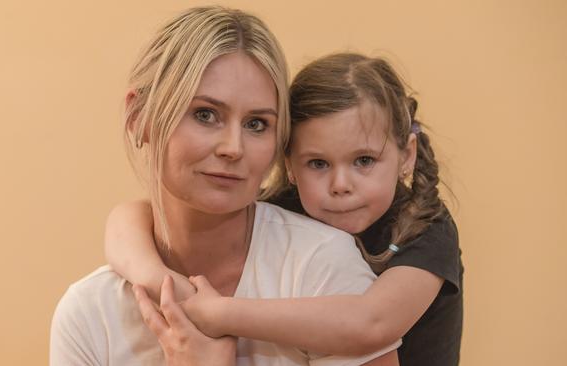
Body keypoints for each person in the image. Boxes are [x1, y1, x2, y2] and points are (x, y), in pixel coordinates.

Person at [50, 6, 399, 366]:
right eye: (205, 114)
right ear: (141, 119)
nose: (233, 147)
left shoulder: (321, 266)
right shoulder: (89, 314)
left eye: (257, 124)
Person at [105, 53, 463, 365]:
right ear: (289, 165)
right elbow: (127, 220)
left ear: (407, 156)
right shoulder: (288, 208)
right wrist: (160, 282)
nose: (340, 184)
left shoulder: (426, 228)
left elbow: (371, 323)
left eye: (364, 160)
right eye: (318, 164)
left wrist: (223, 314)